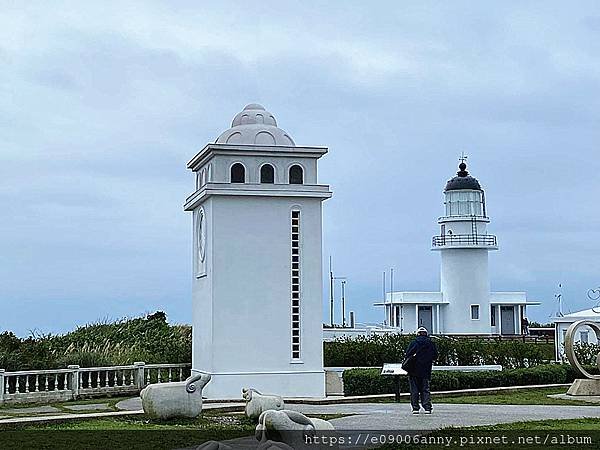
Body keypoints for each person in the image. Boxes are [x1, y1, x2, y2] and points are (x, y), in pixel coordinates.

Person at [404, 326, 438, 414]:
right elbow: (435, 356)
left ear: (417, 334)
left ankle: (415, 408)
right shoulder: (431, 343)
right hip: (426, 370)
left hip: (413, 370)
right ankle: (427, 407)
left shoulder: (414, 343)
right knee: (425, 389)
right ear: (426, 334)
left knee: (414, 389)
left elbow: (408, 354)